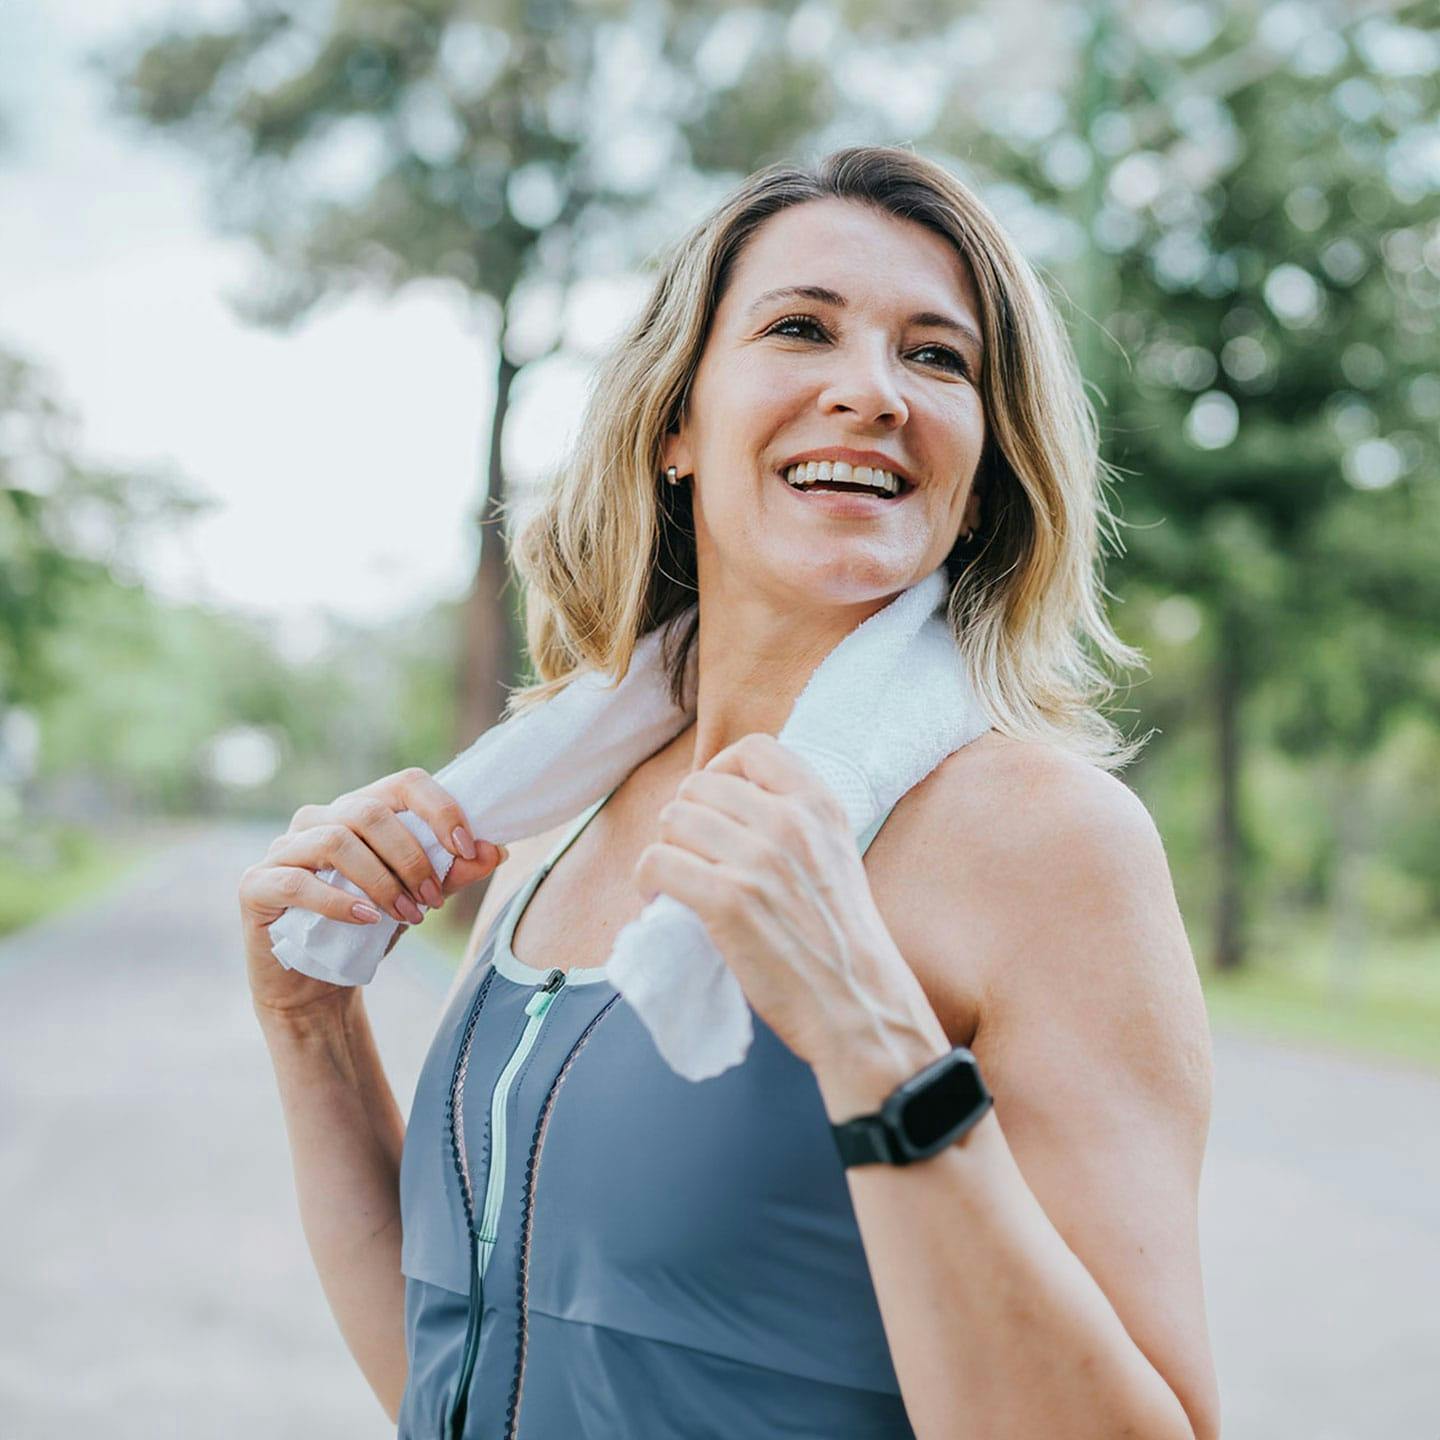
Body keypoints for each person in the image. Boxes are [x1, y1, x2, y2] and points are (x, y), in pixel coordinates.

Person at [238, 145, 1220, 1440]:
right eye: (801, 328)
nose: (872, 392)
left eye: (937, 357)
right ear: (676, 423)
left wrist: (868, 1031)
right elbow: (463, 1363)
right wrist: (312, 1029)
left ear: (981, 474)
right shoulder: (547, 827)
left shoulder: (1047, 843)